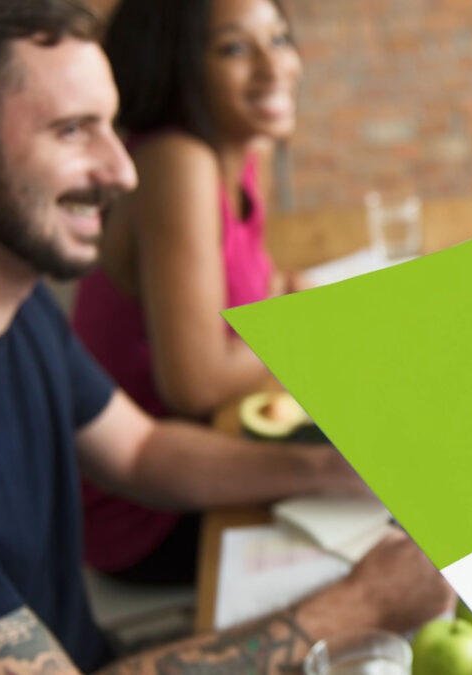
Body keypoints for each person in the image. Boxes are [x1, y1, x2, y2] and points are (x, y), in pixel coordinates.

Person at [0, 1, 451, 673]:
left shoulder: (5, 292)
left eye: (111, 125)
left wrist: (329, 471)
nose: (124, 170)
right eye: (74, 130)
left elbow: (138, 449)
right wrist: (358, 607)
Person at [70, 0, 310, 586]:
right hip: (151, 507)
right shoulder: (177, 161)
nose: (274, 66)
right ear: (180, 66)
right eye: (234, 48)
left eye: (279, 39)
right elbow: (195, 382)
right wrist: (301, 322)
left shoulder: (234, 149)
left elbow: (259, 289)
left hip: (214, 447)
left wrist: (290, 306)